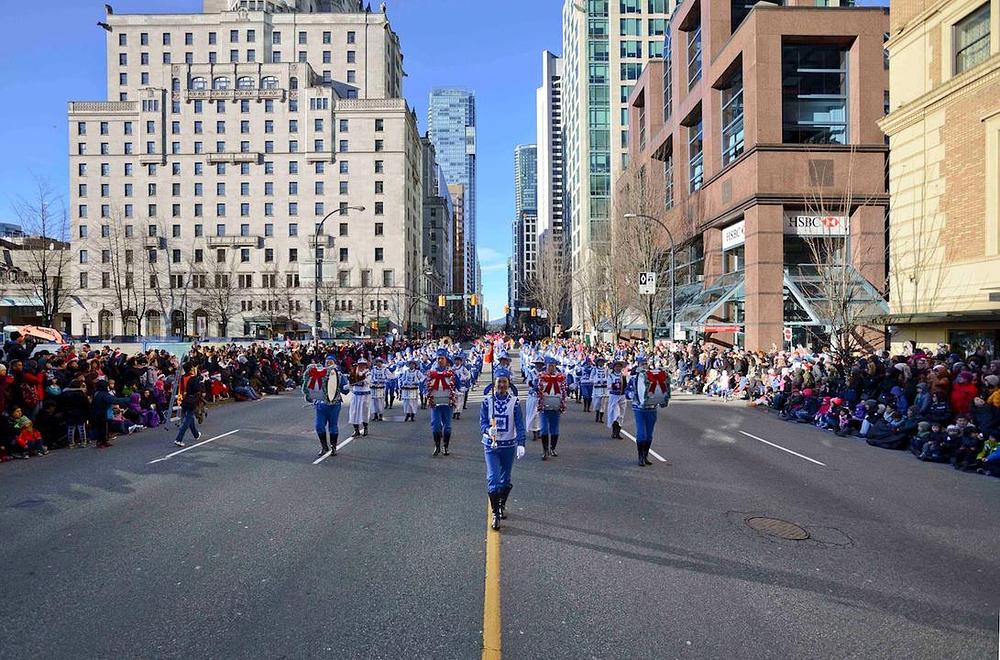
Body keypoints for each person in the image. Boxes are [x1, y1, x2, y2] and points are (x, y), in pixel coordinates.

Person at [480, 370, 526, 530]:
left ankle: (501, 504)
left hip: (508, 445)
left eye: (504, 382)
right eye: (499, 381)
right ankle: (495, 512)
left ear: (508, 384)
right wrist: (487, 430)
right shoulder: (487, 401)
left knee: (505, 479)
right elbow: (483, 422)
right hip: (491, 446)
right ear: (495, 383)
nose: (501, 385)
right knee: (493, 478)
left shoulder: (515, 402)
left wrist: (521, 443)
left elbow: (519, 424)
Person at [627, 356, 671, 466]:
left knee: (649, 435)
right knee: (642, 434)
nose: (644, 366)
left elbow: (660, 389)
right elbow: (627, 391)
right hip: (639, 409)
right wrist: (633, 395)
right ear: (638, 365)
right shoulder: (634, 378)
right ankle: (640, 457)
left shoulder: (653, 377)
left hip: (651, 409)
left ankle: (645, 456)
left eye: (645, 364)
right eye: (642, 364)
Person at [303, 355, 348, 457]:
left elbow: (345, 391)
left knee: (333, 426)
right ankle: (324, 447)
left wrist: (344, 386)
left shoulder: (338, 374)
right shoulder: (319, 374)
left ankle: (333, 447)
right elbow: (312, 388)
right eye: (327, 362)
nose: (328, 363)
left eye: (330, 362)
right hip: (321, 405)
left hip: (334, 404)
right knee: (319, 426)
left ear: (335, 363)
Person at [426, 348, 458, 456]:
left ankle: (446, 446)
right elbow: (425, 385)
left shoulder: (451, 373)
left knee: (447, 426)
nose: (440, 360)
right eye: (438, 358)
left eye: (442, 358)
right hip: (436, 404)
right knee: (435, 425)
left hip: (447, 404)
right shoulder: (431, 373)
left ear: (446, 360)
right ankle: (437, 446)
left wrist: (459, 390)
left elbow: (457, 384)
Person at [537, 356, 567, 460]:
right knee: (544, 429)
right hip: (545, 408)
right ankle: (545, 450)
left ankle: (552, 448)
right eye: (550, 366)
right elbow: (537, 389)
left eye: (553, 366)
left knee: (555, 430)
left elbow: (563, 392)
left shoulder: (560, 377)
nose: (551, 368)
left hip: (556, 407)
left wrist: (562, 404)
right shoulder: (541, 376)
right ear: (546, 366)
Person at [174, 369, 205, 448]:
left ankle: (196, 434)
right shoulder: (193, 378)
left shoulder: (182, 377)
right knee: (187, 420)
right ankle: (179, 438)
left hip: (184, 399)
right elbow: (197, 389)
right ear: (191, 368)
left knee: (190, 417)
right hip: (191, 400)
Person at [348, 357, 372, 437]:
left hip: (365, 395)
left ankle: (365, 428)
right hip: (356, 395)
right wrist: (349, 384)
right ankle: (356, 430)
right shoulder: (354, 372)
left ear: (366, 366)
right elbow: (350, 382)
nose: (361, 366)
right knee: (354, 412)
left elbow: (367, 382)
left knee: (364, 411)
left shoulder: (368, 373)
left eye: (363, 365)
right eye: (360, 364)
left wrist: (358, 380)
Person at [606, 358, 629, 439]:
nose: (618, 368)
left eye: (619, 366)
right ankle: (614, 431)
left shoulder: (623, 376)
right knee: (615, 414)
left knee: (621, 415)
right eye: (616, 366)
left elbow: (627, 386)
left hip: (622, 396)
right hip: (614, 396)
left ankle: (618, 432)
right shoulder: (611, 376)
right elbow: (608, 386)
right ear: (614, 367)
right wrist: (614, 386)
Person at [397, 357, 424, 422]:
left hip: (414, 389)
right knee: (406, 402)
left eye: (413, 364)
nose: (412, 365)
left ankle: (412, 415)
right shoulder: (406, 372)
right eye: (410, 364)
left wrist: (418, 382)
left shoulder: (417, 372)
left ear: (415, 365)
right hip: (407, 389)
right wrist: (404, 383)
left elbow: (423, 377)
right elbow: (402, 379)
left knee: (413, 402)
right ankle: (407, 414)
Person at [369, 357, 390, 422]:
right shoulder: (373, 370)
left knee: (380, 401)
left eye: (380, 362)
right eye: (377, 362)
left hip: (381, 387)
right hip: (374, 387)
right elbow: (370, 377)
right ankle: (375, 415)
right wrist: (372, 382)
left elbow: (389, 376)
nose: (379, 363)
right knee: (373, 402)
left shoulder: (385, 369)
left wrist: (384, 380)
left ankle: (380, 414)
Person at [591, 356, 610, 423]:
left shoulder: (606, 369)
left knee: (603, 403)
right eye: (599, 361)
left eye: (602, 361)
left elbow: (608, 377)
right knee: (597, 402)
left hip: (604, 388)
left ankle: (601, 418)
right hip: (597, 388)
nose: (601, 363)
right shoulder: (594, 369)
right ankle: (597, 413)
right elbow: (591, 378)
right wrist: (595, 381)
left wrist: (606, 381)